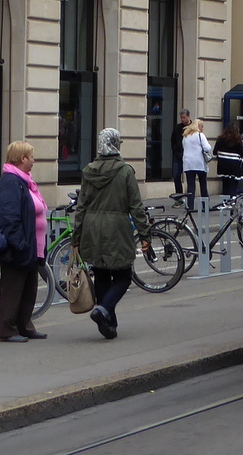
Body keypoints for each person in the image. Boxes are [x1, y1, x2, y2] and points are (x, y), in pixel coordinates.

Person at [72, 128, 151, 340]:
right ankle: (103, 308)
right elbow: (136, 206)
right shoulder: (125, 171)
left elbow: (81, 206)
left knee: (102, 273)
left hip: (92, 227)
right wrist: (145, 235)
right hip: (117, 227)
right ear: (116, 144)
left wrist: (76, 238)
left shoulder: (89, 170)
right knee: (124, 275)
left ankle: (110, 324)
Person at [0, 141, 47, 342]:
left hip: (32, 245)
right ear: (22, 158)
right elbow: (10, 218)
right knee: (13, 289)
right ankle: (7, 330)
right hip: (19, 246)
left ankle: (24, 325)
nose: (33, 161)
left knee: (28, 288)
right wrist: (20, 244)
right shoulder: (10, 182)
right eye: (31, 157)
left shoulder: (24, 181)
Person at [182, 119, 213, 209]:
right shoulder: (200, 135)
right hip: (199, 163)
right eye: (202, 126)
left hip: (188, 163)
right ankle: (205, 206)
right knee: (203, 185)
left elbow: (184, 147)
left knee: (190, 186)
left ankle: (190, 206)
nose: (203, 128)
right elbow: (207, 148)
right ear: (198, 126)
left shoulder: (185, 136)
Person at [213, 122, 243, 197]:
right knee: (233, 185)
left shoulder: (220, 139)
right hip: (234, 165)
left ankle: (224, 202)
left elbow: (214, 152)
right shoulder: (237, 140)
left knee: (225, 184)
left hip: (223, 165)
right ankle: (232, 201)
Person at [169, 109, 191, 195]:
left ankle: (190, 197)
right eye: (181, 118)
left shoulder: (193, 128)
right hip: (178, 155)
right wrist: (175, 150)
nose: (182, 119)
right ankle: (179, 197)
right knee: (176, 176)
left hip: (189, 156)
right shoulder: (177, 128)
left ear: (188, 117)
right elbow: (173, 141)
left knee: (190, 178)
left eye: (184, 117)